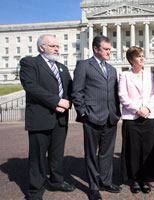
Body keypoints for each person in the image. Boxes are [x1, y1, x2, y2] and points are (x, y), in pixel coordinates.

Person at [20, 34, 74, 200]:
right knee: (37, 156)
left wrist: (68, 102)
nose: (57, 49)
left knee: (57, 153)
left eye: (58, 46)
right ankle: (35, 190)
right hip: (40, 117)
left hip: (60, 118)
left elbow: (70, 89)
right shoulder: (30, 63)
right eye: (53, 46)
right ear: (42, 47)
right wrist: (56, 101)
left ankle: (56, 180)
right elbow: (31, 86)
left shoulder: (62, 67)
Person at [72, 36, 121, 200]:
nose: (109, 52)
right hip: (92, 116)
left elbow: (114, 94)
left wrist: (117, 113)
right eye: (106, 49)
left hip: (110, 118)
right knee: (92, 154)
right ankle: (93, 187)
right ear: (95, 49)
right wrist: (83, 113)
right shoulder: (84, 65)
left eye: (109, 49)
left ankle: (105, 181)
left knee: (107, 153)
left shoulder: (112, 69)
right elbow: (77, 92)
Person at [118, 46, 154, 194]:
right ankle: (135, 180)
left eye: (143, 56)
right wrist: (138, 109)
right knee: (133, 150)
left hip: (149, 117)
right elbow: (123, 96)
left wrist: (147, 108)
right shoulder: (124, 75)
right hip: (131, 118)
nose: (142, 58)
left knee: (148, 149)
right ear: (131, 60)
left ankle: (146, 179)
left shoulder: (150, 75)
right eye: (139, 56)